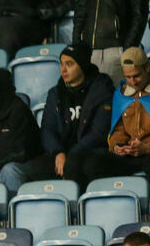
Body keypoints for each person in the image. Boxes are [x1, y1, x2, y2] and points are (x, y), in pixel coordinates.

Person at [75, 47, 150, 185]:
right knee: (93, 163)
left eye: (136, 76)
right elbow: (118, 129)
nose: (132, 82)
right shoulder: (122, 92)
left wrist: (149, 146)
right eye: (128, 77)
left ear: (147, 68)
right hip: (131, 153)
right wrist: (118, 145)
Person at [17, 44, 115, 187]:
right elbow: (48, 129)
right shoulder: (55, 93)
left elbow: (99, 132)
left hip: (91, 152)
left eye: (69, 64)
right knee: (29, 171)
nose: (63, 69)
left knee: (83, 166)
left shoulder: (101, 89)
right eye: (61, 64)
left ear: (82, 65)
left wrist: (72, 155)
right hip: (62, 154)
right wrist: (58, 152)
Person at [72, 0, 149, 82]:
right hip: (87, 52)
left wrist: (127, 50)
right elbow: (80, 14)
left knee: (116, 92)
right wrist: (77, 48)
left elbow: (140, 15)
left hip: (116, 51)